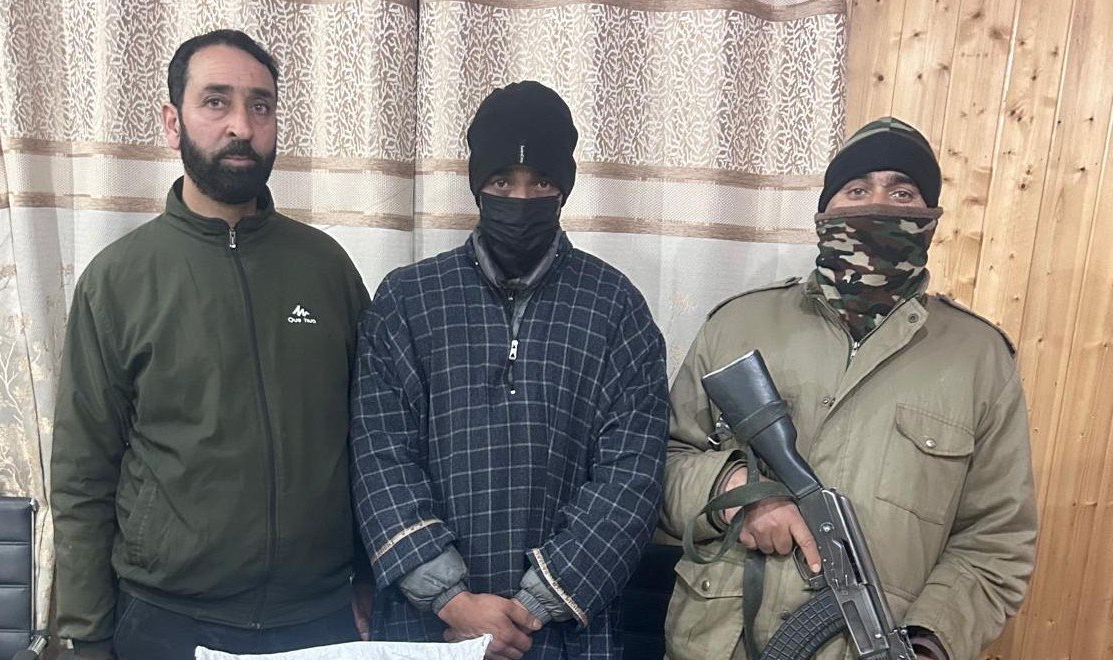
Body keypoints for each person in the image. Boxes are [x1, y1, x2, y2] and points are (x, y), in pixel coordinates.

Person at [660, 117, 1037, 660]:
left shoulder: (980, 359)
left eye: (902, 193)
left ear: (929, 218)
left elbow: (997, 540)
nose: (877, 205)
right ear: (825, 211)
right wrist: (738, 493)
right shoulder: (737, 324)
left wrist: (930, 642)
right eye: (857, 190)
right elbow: (663, 463)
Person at [51, 29, 371, 659]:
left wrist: (370, 577)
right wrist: (86, 636)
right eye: (216, 101)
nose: (242, 127)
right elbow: (83, 475)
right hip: (166, 621)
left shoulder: (325, 268)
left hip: (318, 620)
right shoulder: (118, 280)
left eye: (261, 106)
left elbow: (371, 438)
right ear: (173, 122)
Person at [350, 81, 668, 660]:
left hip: (564, 631)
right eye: (502, 181)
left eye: (540, 182)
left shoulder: (615, 308)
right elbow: (380, 456)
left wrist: (530, 608)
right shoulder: (408, 300)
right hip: (431, 628)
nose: (520, 198)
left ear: (564, 186)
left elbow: (632, 477)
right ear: (478, 184)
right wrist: (452, 600)